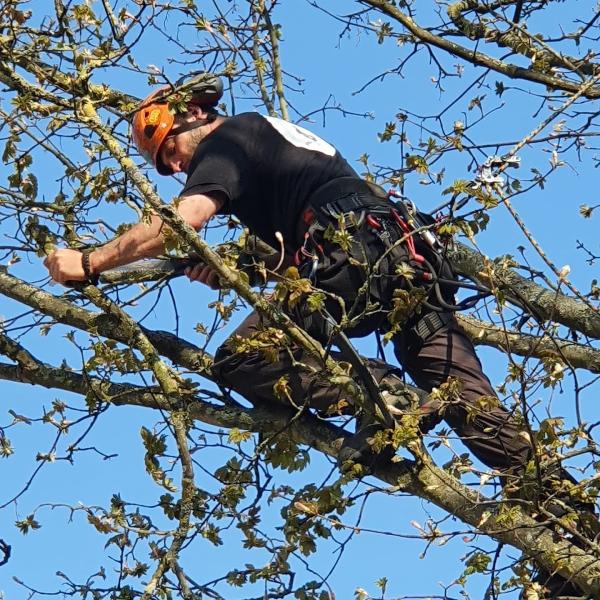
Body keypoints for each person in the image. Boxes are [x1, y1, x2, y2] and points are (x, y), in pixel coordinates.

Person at [43, 75, 591, 597]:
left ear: (192, 113)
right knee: (475, 411)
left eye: (171, 150)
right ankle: (580, 544)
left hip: (346, 249)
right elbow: (299, 233)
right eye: (165, 165)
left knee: (241, 360)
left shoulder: (228, 140)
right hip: (399, 260)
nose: (176, 166)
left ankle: (389, 398)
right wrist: (246, 266)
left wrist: (90, 262)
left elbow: (178, 221)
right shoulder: (271, 141)